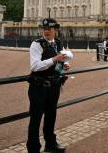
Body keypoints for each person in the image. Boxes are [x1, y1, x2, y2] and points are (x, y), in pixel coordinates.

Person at [26, 18, 73, 153]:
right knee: (36, 119)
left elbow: (58, 62)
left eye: (49, 29)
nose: (46, 31)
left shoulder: (58, 44)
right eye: (44, 29)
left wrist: (63, 65)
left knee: (51, 116)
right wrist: (54, 59)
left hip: (54, 86)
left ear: (55, 30)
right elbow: (35, 66)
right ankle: (33, 149)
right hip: (38, 87)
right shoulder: (37, 44)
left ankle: (50, 144)